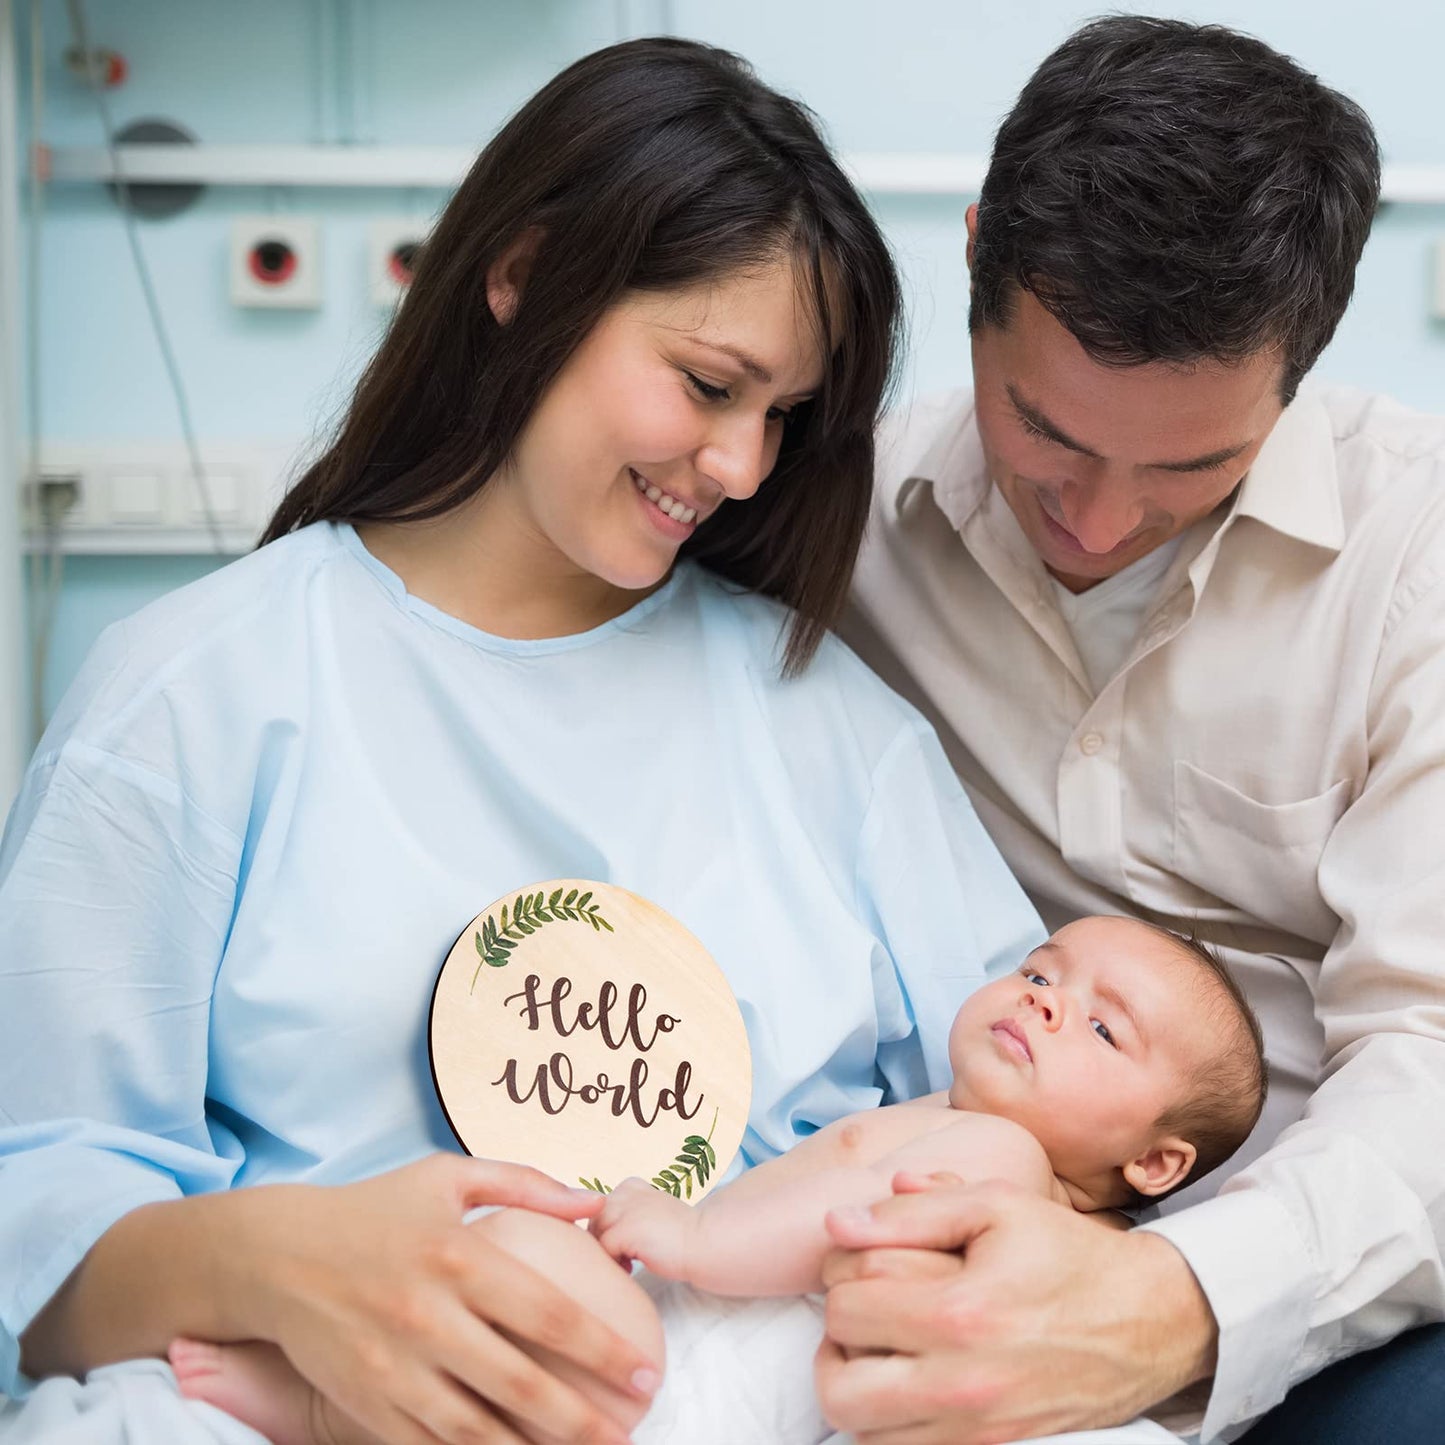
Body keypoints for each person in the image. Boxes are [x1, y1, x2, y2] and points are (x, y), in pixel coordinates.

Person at [0, 37, 1049, 1445]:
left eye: (786, 418)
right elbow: (36, 1217)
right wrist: (289, 1266)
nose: (742, 468)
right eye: (707, 383)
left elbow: (1028, 1121)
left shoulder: (836, 732)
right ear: (524, 276)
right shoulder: (196, 692)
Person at [837, 14, 1445, 1445]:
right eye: (1039, 431)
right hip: (937, 1231)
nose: (1098, 523)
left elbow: (1430, 1048)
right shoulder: (844, 524)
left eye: (1191, 465)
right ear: (976, 256)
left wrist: (1171, 1301)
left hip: (1339, 1294)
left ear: (1301, 363)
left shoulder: (1417, 557)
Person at [156, 913, 1270, 1445]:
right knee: (509, 1299)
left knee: (526, 1268)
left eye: (1099, 1027)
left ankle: (308, 1403)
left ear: (1153, 1162)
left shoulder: (1000, 1165)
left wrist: (689, 1239)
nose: (1040, 999)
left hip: (703, 1388)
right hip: (710, 1369)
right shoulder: (962, 1125)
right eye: (1039, 969)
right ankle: (316, 1401)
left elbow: (844, 1225)